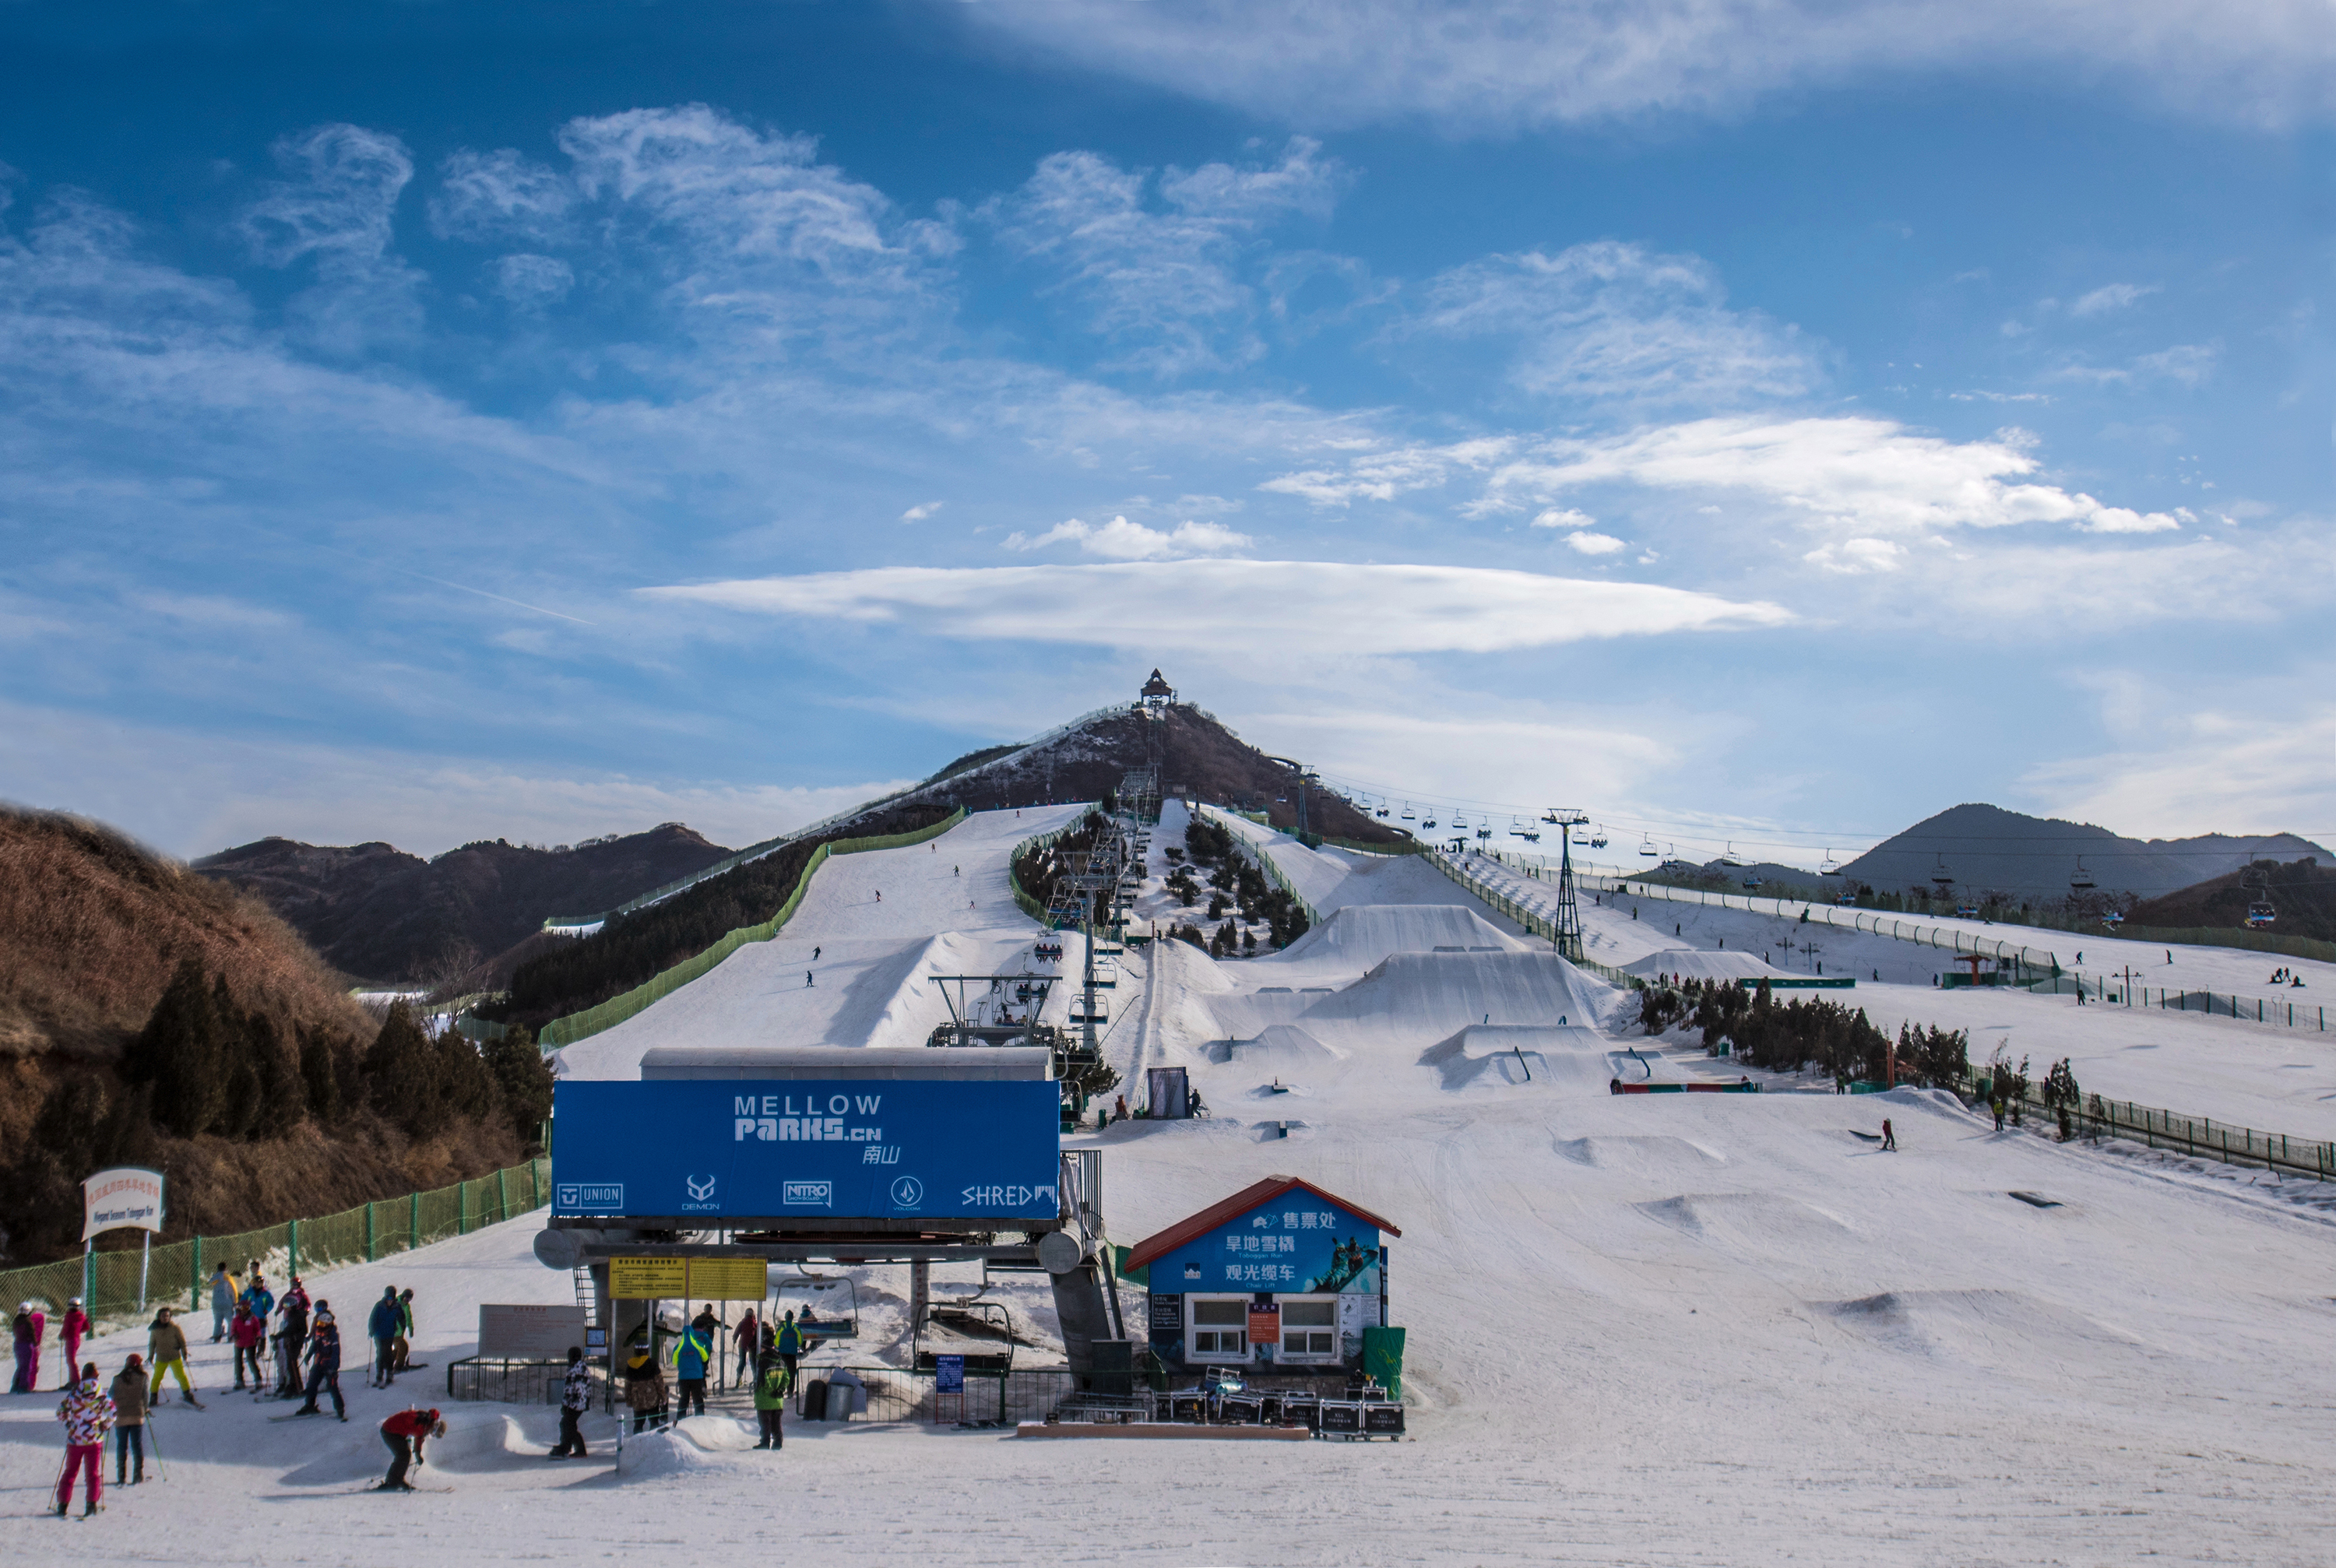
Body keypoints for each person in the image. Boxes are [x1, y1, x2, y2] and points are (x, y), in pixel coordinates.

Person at [54, 1362, 114, 1517]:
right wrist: (103, 1426)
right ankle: (91, 1505)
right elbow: (113, 1413)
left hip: (75, 1439)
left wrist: (68, 1423)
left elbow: (60, 1412)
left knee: (70, 1472)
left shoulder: (74, 1394)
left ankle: (62, 1505)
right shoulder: (102, 1394)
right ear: (96, 1376)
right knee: (93, 1474)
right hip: (94, 1439)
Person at [294, 1303, 346, 1420]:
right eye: (319, 1323)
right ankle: (309, 1406)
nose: (320, 1325)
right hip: (319, 1363)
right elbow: (315, 1346)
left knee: (332, 1387)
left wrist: (333, 1368)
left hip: (329, 1365)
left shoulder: (333, 1336)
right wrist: (308, 1356)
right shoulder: (318, 1332)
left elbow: (336, 1353)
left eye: (322, 1324)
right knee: (311, 1385)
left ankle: (340, 1409)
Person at [376, 1406, 445, 1492]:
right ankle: (392, 1482)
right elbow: (419, 1437)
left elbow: (419, 1435)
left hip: (395, 1431)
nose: (431, 1433)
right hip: (389, 1431)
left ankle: (396, 1480)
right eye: (433, 1433)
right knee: (403, 1455)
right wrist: (418, 1454)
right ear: (435, 1427)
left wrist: (418, 1453)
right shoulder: (422, 1423)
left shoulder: (426, 1420)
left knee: (404, 1455)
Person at [147, 1306, 199, 1407]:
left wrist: (184, 1353)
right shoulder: (155, 1330)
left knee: (180, 1376)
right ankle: (153, 1398)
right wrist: (151, 1356)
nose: (165, 1318)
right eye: (163, 1316)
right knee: (157, 1378)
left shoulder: (175, 1328)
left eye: (167, 1316)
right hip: (161, 1357)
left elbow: (182, 1341)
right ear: (159, 1317)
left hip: (174, 1356)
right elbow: (152, 1343)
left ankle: (187, 1395)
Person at [111, 1355, 149, 1486]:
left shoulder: (117, 1378)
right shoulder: (143, 1378)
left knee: (121, 1445)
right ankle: (138, 1475)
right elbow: (145, 1396)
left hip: (121, 1415)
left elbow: (110, 1395)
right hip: (137, 1415)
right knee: (136, 1445)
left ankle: (121, 1477)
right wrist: (146, 1409)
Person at [549, 1347, 592, 1459]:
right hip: (581, 1402)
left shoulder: (573, 1369)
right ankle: (566, 1446)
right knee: (568, 1424)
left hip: (573, 1403)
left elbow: (569, 1389)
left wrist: (565, 1405)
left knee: (567, 1425)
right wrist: (587, 1401)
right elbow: (587, 1386)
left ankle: (573, 1449)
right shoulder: (584, 1368)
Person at [673, 1310, 714, 1417]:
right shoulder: (698, 1345)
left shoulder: (678, 1347)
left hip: (683, 1376)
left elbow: (673, 1361)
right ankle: (700, 1418)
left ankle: (681, 1418)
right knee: (697, 1398)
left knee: (684, 1399)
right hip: (697, 1376)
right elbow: (705, 1358)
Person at [620, 1340, 667, 1434]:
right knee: (654, 1423)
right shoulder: (652, 1363)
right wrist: (663, 1396)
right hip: (652, 1400)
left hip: (637, 1400)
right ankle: (652, 1443)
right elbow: (659, 1383)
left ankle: (637, 1443)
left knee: (638, 1424)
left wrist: (629, 1400)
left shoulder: (630, 1365)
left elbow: (628, 1385)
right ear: (647, 1350)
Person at [277, 1278, 311, 1396]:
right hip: (289, 1344)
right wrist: (278, 1337)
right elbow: (287, 1330)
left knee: (292, 1365)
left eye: (287, 1305)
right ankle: (292, 1386)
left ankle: (298, 1388)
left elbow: (300, 1330)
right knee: (290, 1366)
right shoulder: (290, 1316)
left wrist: (297, 1339)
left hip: (295, 1344)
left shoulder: (297, 1316)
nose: (285, 1307)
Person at [751, 1351, 790, 1450]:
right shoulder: (781, 1363)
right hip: (777, 1401)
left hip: (765, 1400)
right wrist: (780, 1390)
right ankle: (778, 1442)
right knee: (777, 1423)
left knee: (765, 1423)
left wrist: (771, 1391)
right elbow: (786, 1379)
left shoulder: (764, 1362)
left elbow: (763, 1380)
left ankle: (765, 1442)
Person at [368, 1287, 402, 1388]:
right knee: (380, 1353)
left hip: (389, 1334)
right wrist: (372, 1330)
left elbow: (401, 1317)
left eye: (391, 1297)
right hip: (379, 1334)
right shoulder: (379, 1306)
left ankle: (389, 1374)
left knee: (388, 1354)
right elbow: (373, 1319)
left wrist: (402, 1327)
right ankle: (379, 1374)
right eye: (388, 1297)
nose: (389, 1300)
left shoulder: (397, 1306)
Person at [230, 1302, 264, 1390]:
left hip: (250, 1342)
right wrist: (233, 1335)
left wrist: (258, 1337)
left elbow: (257, 1330)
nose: (244, 1310)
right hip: (239, 1342)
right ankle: (239, 1380)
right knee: (238, 1361)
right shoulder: (236, 1319)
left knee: (251, 1360)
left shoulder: (253, 1318)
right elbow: (233, 1330)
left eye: (246, 1308)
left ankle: (258, 1380)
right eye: (243, 1308)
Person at [12, 1300, 43, 1393]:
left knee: (20, 1366)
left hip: (17, 1344)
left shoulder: (16, 1321)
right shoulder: (28, 1322)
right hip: (26, 1345)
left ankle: (15, 1385)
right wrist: (36, 1346)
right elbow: (32, 1335)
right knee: (26, 1367)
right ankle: (23, 1386)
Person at [60, 1297, 90, 1387]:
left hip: (70, 1340)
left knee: (70, 1360)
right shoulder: (81, 1315)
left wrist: (61, 1335)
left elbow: (66, 1327)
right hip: (77, 1339)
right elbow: (87, 1327)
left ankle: (75, 1380)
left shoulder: (69, 1316)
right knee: (71, 1360)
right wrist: (78, 1331)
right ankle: (73, 1379)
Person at [209, 1264, 237, 1342]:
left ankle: (216, 1337)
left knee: (218, 1321)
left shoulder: (214, 1278)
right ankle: (231, 1337)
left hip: (216, 1302)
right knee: (231, 1320)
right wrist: (235, 1301)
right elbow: (234, 1290)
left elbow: (210, 1282)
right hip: (227, 1302)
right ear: (226, 1268)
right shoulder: (228, 1277)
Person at [392, 1289, 416, 1373]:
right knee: (403, 1347)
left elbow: (408, 1318)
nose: (407, 1301)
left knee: (398, 1349)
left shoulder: (406, 1306)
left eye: (409, 1300)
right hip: (394, 1332)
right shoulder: (395, 1303)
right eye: (406, 1299)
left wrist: (411, 1328)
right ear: (403, 1296)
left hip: (400, 1332)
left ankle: (387, 1364)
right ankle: (398, 1366)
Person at [775, 1310, 803, 1380]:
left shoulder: (781, 1328)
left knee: (782, 1371)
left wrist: (778, 1347)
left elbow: (776, 1341)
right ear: (792, 1318)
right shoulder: (796, 1328)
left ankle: (781, 1388)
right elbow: (800, 1341)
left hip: (783, 1353)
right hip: (792, 1354)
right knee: (791, 1372)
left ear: (785, 1317)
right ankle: (790, 1390)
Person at [734, 1307, 759, 1383]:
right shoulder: (754, 1323)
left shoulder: (742, 1322)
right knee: (753, 1361)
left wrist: (734, 1339)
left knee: (742, 1361)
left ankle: (739, 1377)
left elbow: (737, 1332)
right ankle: (755, 1376)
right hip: (752, 1345)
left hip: (742, 1344)